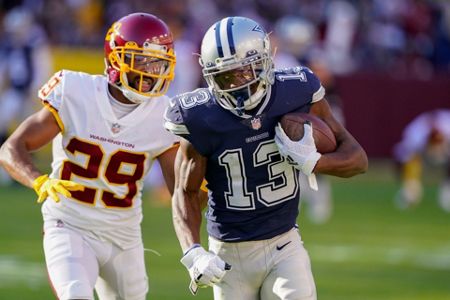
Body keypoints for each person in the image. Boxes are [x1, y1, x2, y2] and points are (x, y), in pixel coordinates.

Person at [164, 16, 368, 300]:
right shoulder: (199, 117)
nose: (236, 85)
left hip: (284, 245)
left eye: (243, 72)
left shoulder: (296, 92)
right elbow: (185, 192)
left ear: (264, 61)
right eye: (225, 76)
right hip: (228, 254)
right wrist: (193, 252)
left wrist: (312, 162)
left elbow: (357, 159)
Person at [0, 12, 178, 300]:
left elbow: (182, 188)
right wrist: (38, 181)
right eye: (142, 60)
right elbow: (11, 148)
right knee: (75, 295)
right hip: (70, 224)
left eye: (158, 62)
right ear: (116, 59)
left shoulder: (164, 114)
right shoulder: (76, 90)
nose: (152, 72)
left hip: (124, 237)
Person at [0, 7, 52, 185]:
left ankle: (27, 168)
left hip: (29, 92)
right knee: (3, 122)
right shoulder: (9, 45)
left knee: (30, 131)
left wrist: (36, 91)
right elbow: (6, 70)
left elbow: (42, 68)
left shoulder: (34, 44)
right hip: (14, 91)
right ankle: (7, 165)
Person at [393, 109, 450, 211]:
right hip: (422, 156)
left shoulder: (447, 126)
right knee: (412, 162)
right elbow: (403, 155)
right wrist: (410, 181)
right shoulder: (415, 134)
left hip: (446, 151)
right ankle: (410, 193)